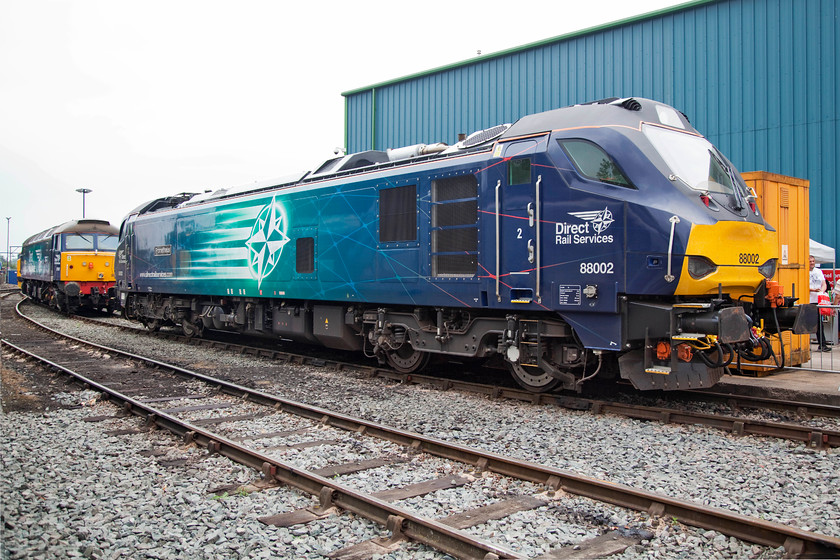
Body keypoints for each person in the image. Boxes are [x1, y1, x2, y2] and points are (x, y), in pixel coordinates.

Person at [809, 255, 830, 351]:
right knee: (807, 323)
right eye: (810, 261)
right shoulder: (804, 272)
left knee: (819, 323)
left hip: (818, 301)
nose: (812, 263)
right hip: (808, 300)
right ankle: (805, 344)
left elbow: (824, 283)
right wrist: (813, 290)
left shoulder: (818, 271)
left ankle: (822, 344)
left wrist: (822, 291)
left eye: (813, 261)